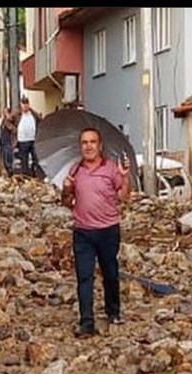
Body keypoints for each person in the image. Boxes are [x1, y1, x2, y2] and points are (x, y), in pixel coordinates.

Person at [60, 127, 132, 337]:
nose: (88, 146)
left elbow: (124, 197)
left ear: (100, 146)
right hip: (82, 232)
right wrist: (66, 189)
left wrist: (125, 177)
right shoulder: (75, 170)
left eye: (92, 142)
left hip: (108, 231)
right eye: (84, 142)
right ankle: (86, 322)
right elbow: (66, 202)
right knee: (84, 277)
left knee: (110, 273)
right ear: (80, 146)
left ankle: (113, 311)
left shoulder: (111, 169)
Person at [15, 95, 41, 178]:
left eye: (27, 103)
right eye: (23, 104)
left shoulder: (33, 114)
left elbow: (40, 119)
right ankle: (25, 176)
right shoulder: (17, 114)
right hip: (22, 140)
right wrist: (14, 130)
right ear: (21, 105)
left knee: (36, 158)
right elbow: (8, 121)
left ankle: (35, 174)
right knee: (24, 159)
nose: (25, 106)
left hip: (33, 139)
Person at [0, 105, 17, 177]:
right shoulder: (2, 120)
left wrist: (8, 121)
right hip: (2, 142)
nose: (4, 113)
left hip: (8, 142)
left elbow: (14, 130)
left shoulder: (11, 120)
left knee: (8, 158)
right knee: (4, 159)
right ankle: (5, 172)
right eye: (3, 112)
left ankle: (10, 173)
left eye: (5, 112)